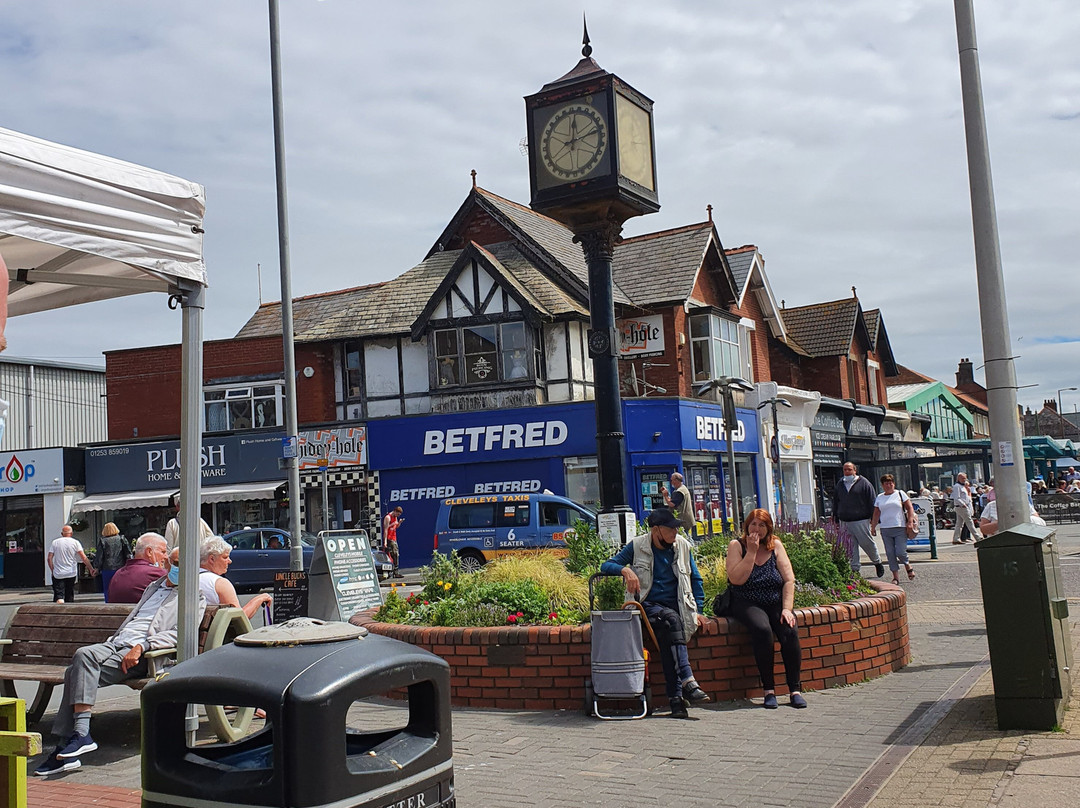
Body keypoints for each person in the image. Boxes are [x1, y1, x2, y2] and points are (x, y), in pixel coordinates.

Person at [34, 548, 205, 776]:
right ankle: (75, 742)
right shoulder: (153, 588)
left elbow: (181, 634)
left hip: (143, 656)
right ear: (165, 564)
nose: (176, 568)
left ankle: (69, 743)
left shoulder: (192, 596)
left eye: (182, 565)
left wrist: (142, 646)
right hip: (116, 644)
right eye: (174, 562)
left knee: (79, 663)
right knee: (79, 664)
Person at [600, 508, 710, 719]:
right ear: (656, 530)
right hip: (647, 606)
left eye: (677, 528)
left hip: (676, 608)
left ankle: (676, 701)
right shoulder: (638, 545)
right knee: (671, 620)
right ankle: (688, 680)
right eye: (671, 529)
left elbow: (696, 580)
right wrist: (625, 570)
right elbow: (607, 565)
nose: (675, 533)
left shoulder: (683, 547)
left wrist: (700, 611)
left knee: (669, 633)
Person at [726, 509, 806, 709]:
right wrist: (751, 552)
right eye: (753, 524)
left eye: (762, 525)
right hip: (746, 600)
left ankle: (794, 690)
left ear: (768, 528)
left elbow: (789, 580)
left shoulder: (776, 546)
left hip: (774, 600)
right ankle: (768, 690)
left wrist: (787, 609)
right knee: (762, 630)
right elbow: (736, 579)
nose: (757, 529)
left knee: (789, 630)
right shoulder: (737, 546)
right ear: (746, 526)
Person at [831, 462, 885, 578]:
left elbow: (872, 501)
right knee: (850, 546)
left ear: (855, 470)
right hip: (844, 521)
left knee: (867, 543)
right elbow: (836, 502)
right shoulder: (840, 484)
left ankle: (877, 562)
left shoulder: (864, 483)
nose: (847, 472)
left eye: (849, 470)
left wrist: (873, 520)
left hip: (860, 520)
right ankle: (854, 569)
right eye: (845, 470)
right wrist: (835, 519)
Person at [199, 536, 273, 620]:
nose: (230, 561)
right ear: (212, 559)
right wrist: (260, 598)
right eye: (225, 557)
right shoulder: (219, 583)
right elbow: (239, 618)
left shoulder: (188, 581)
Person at [870, 475, 917, 585]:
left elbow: (910, 508)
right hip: (885, 528)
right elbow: (876, 513)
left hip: (899, 526)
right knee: (890, 553)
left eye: (891, 482)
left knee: (900, 551)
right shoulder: (880, 497)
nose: (889, 485)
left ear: (894, 484)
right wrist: (873, 526)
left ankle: (907, 565)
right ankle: (895, 577)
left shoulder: (900, 494)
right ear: (882, 486)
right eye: (886, 483)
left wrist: (910, 522)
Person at [107, 533, 168, 603]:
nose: (166, 557)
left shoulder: (117, 575)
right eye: (163, 552)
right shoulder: (157, 574)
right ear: (149, 552)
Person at [47, 525, 96, 603]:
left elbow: (49, 558)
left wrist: (52, 569)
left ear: (61, 533)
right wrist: (91, 568)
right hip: (71, 572)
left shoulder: (55, 542)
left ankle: (59, 606)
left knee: (59, 595)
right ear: (72, 533)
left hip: (58, 572)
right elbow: (83, 557)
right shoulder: (75, 542)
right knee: (69, 593)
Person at [93, 522, 132, 602]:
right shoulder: (122, 539)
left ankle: (109, 603)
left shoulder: (103, 541)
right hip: (121, 567)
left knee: (107, 589)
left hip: (107, 568)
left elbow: (100, 556)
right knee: (121, 587)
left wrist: (97, 568)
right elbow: (128, 553)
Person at [979, 493, 1046, 536]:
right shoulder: (991, 505)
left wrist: (1018, 520)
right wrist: (1002, 522)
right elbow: (983, 529)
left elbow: (1038, 521)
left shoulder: (1024, 504)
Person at [661, 471, 696, 537]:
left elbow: (672, 504)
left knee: (684, 537)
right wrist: (667, 495)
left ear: (676, 480)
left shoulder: (680, 491)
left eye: (672, 480)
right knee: (686, 536)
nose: (671, 482)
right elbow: (675, 501)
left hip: (682, 520)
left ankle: (691, 547)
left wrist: (665, 496)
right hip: (685, 520)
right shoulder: (683, 489)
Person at [951, 473, 982, 544]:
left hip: (964, 506)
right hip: (961, 507)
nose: (964, 480)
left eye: (965, 478)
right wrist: (963, 504)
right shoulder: (956, 486)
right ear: (958, 478)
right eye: (962, 478)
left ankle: (956, 538)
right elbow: (957, 497)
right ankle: (977, 537)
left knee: (959, 524)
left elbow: (966, 496)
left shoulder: (963, 486)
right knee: (969, 522)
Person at [382, 506, 404, 578]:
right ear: (394, 511)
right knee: (394, 554)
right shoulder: (388, 517)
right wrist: (385, 541)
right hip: (389, 538)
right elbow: (385, 530)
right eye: (397, 514)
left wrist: (399, 523)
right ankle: (394, 572)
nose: (397, 516)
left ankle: (395, 571)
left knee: (395, 554)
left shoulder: (395, 517)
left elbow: (396, 526)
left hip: (394, 537)